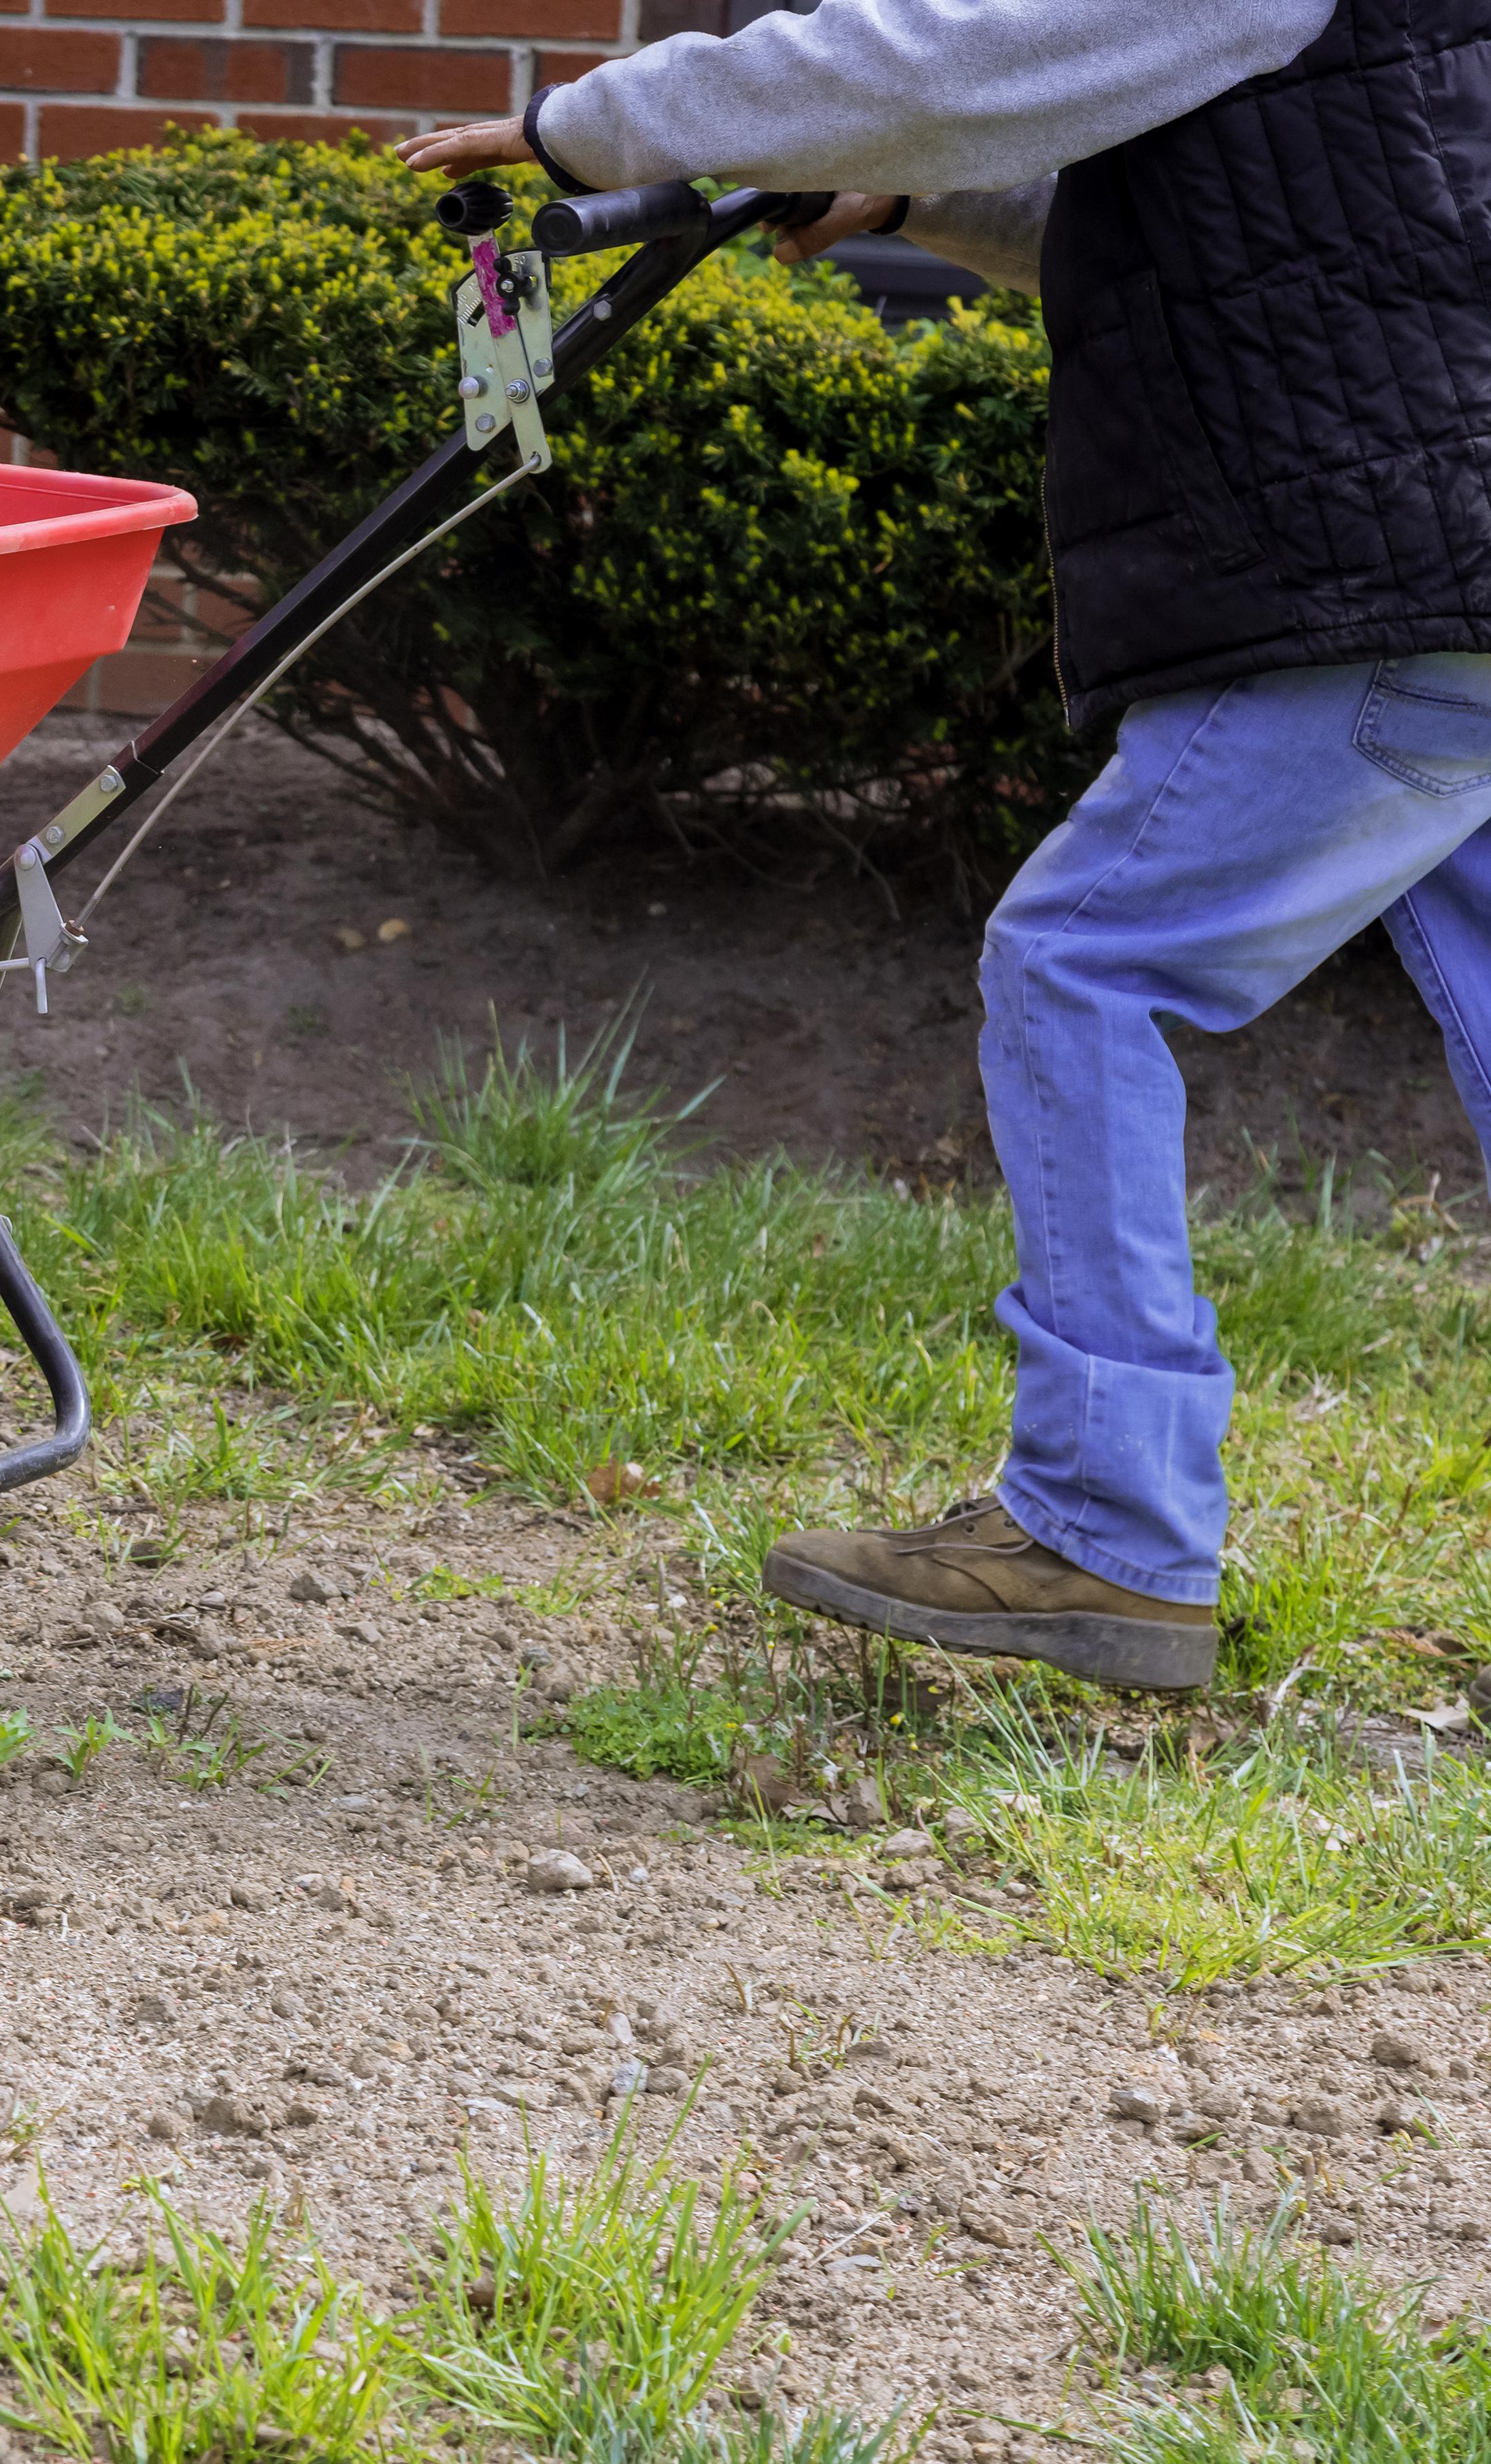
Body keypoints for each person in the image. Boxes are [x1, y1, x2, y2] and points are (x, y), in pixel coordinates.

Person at [397, 0, 1491, 1695]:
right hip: (1450, 562)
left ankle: (1101, 1528)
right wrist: (917, 206)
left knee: (1083, 963)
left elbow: (942, 59)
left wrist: (600, 124)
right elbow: (1195, 195)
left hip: (1379, 577)